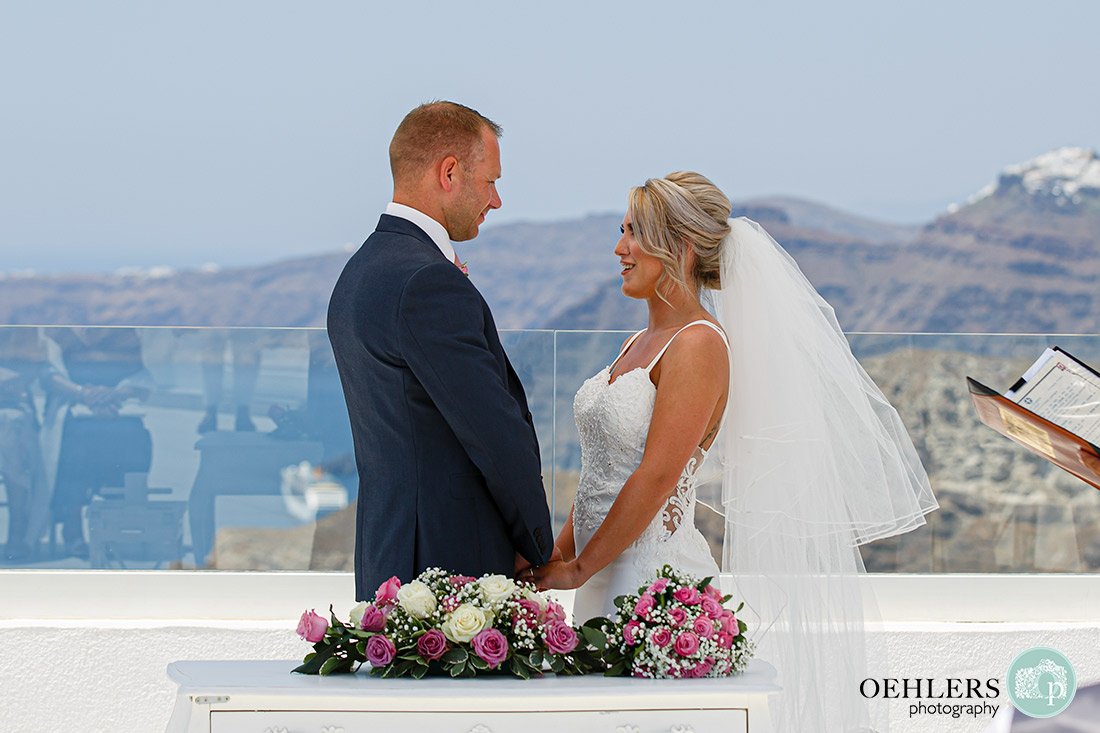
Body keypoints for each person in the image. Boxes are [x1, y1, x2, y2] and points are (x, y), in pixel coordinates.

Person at [532, 172, 938, 732]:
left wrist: (578, 567)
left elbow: (655, 475)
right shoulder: (635, 343)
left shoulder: (699, 344)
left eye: (634, 234)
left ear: (682, 248)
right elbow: (603, 471)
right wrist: (560, 556)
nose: (619, 249)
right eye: (621, 231)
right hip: (601, 566)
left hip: (653, 583)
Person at [327, 101, 553, 601]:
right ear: (449, 172)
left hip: (386, 559)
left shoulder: (359, 272)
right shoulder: (428, 281)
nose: (496, 201)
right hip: (449, 568)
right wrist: (536, 543)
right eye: (491, 181)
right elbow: (493, 432)